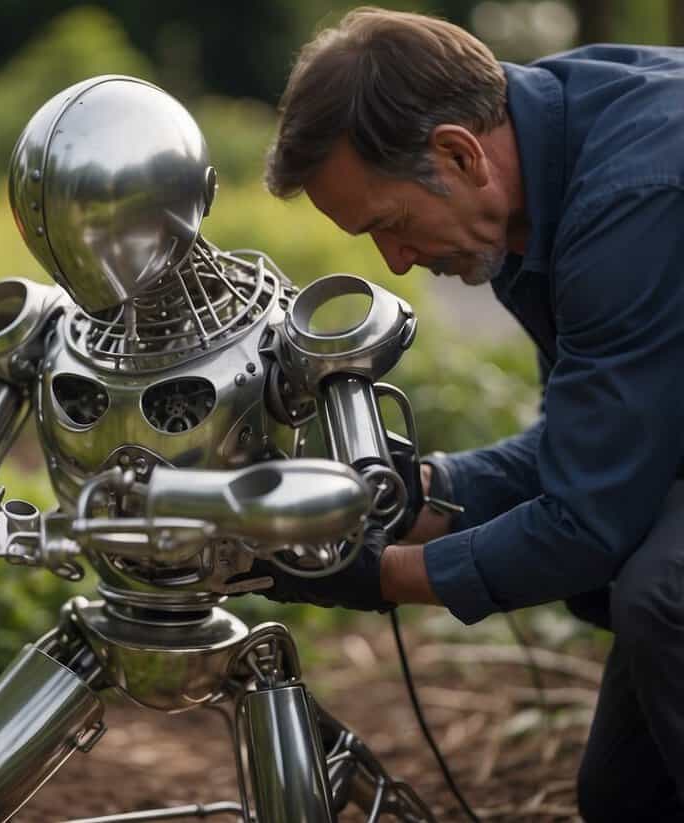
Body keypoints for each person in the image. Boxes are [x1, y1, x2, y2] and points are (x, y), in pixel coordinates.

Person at [257, 8, 684, 821]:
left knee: (664, 590)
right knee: (626, 795)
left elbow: (589, 519)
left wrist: (378, 576)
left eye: (389, 224)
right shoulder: (536, 168)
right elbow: (596, 443)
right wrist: (416, 493)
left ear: (458, 153)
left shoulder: (632, 200)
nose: (396, 261)